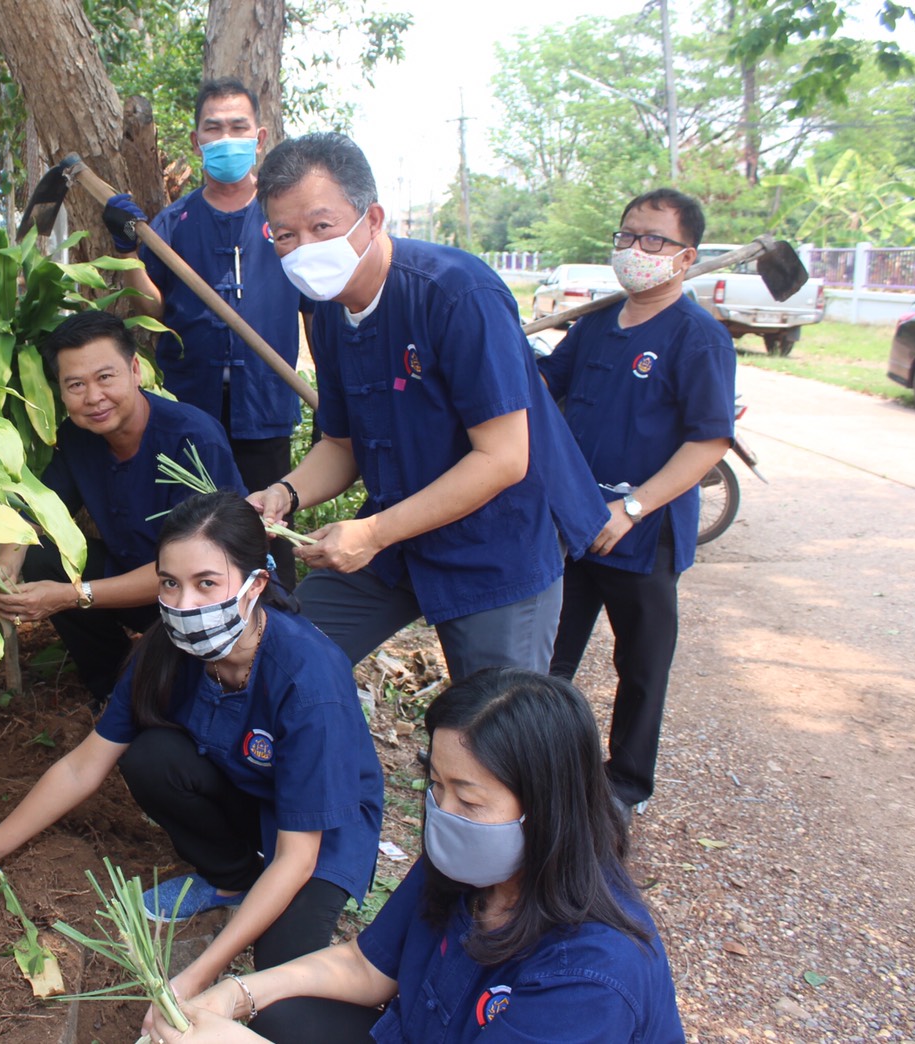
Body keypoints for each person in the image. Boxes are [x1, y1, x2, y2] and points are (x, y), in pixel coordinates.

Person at [0, 492, 384, 1022]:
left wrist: (199, 974)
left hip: (317, 834)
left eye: (207, 583)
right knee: (152, 755)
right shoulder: (167, 650)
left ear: (256, 586)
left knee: (282, 987)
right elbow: (81, 767)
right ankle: (231, 877)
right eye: (169, 583)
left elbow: (298, 857)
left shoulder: (309, 678)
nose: (183, 604)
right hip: (248, 791)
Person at [146, 668, 686, 1044]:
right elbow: (365, 964)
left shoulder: (592, 977)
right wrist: (233, 996)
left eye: (469, 799)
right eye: (435, 786)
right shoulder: (472, 859)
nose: (444, 814)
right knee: (278, 1014)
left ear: (548, 807)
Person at [247, 132, 607, 678]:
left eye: (322, 227)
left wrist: (371, 534)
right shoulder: (332, 318)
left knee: (496, 733)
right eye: (285, 235)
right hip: (398, 540)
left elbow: (504, 458)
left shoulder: (457, 294)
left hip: (493, 545)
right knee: (286, 655)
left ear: (372, 219)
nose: (304, 249)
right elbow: (341, 445)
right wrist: (285, 492)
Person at [538, 189, 737, 817]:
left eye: (653, 240)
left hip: (643, 531)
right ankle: (532, 767)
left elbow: (708, 442)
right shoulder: (595, 324)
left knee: (642, 666)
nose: (635, 250)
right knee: (548, 657)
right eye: (627, 236)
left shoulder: (697, 337)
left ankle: (624, 787)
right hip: (574, 523)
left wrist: (633, 509)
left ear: (686, 257)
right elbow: (545, 389)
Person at [103, 78, 311, 584]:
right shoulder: (174, 221)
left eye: (238, 127)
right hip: (190, 404)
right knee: (195, 532)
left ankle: (277, 629)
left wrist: (333, 397)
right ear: (197, 142)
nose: (226, 138)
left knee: (269, 530)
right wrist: (129, 251)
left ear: (259, 138)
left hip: (265, 404)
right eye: (213, 128)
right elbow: (151, 303)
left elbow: (315, 308)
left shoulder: (285, 218)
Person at [0, 310, 244, 703]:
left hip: (198, 600)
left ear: (135, 369)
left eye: (105, 377)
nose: (93, 397)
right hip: (129, 579)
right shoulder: (79, 437)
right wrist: (6, 567)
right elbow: (38, 509)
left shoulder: (193, 440)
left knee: (180, 699)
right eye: (75, 384)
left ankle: (162, 686)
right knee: (40, 559)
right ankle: (110, 686)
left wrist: (73, 595)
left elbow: (198, 571)